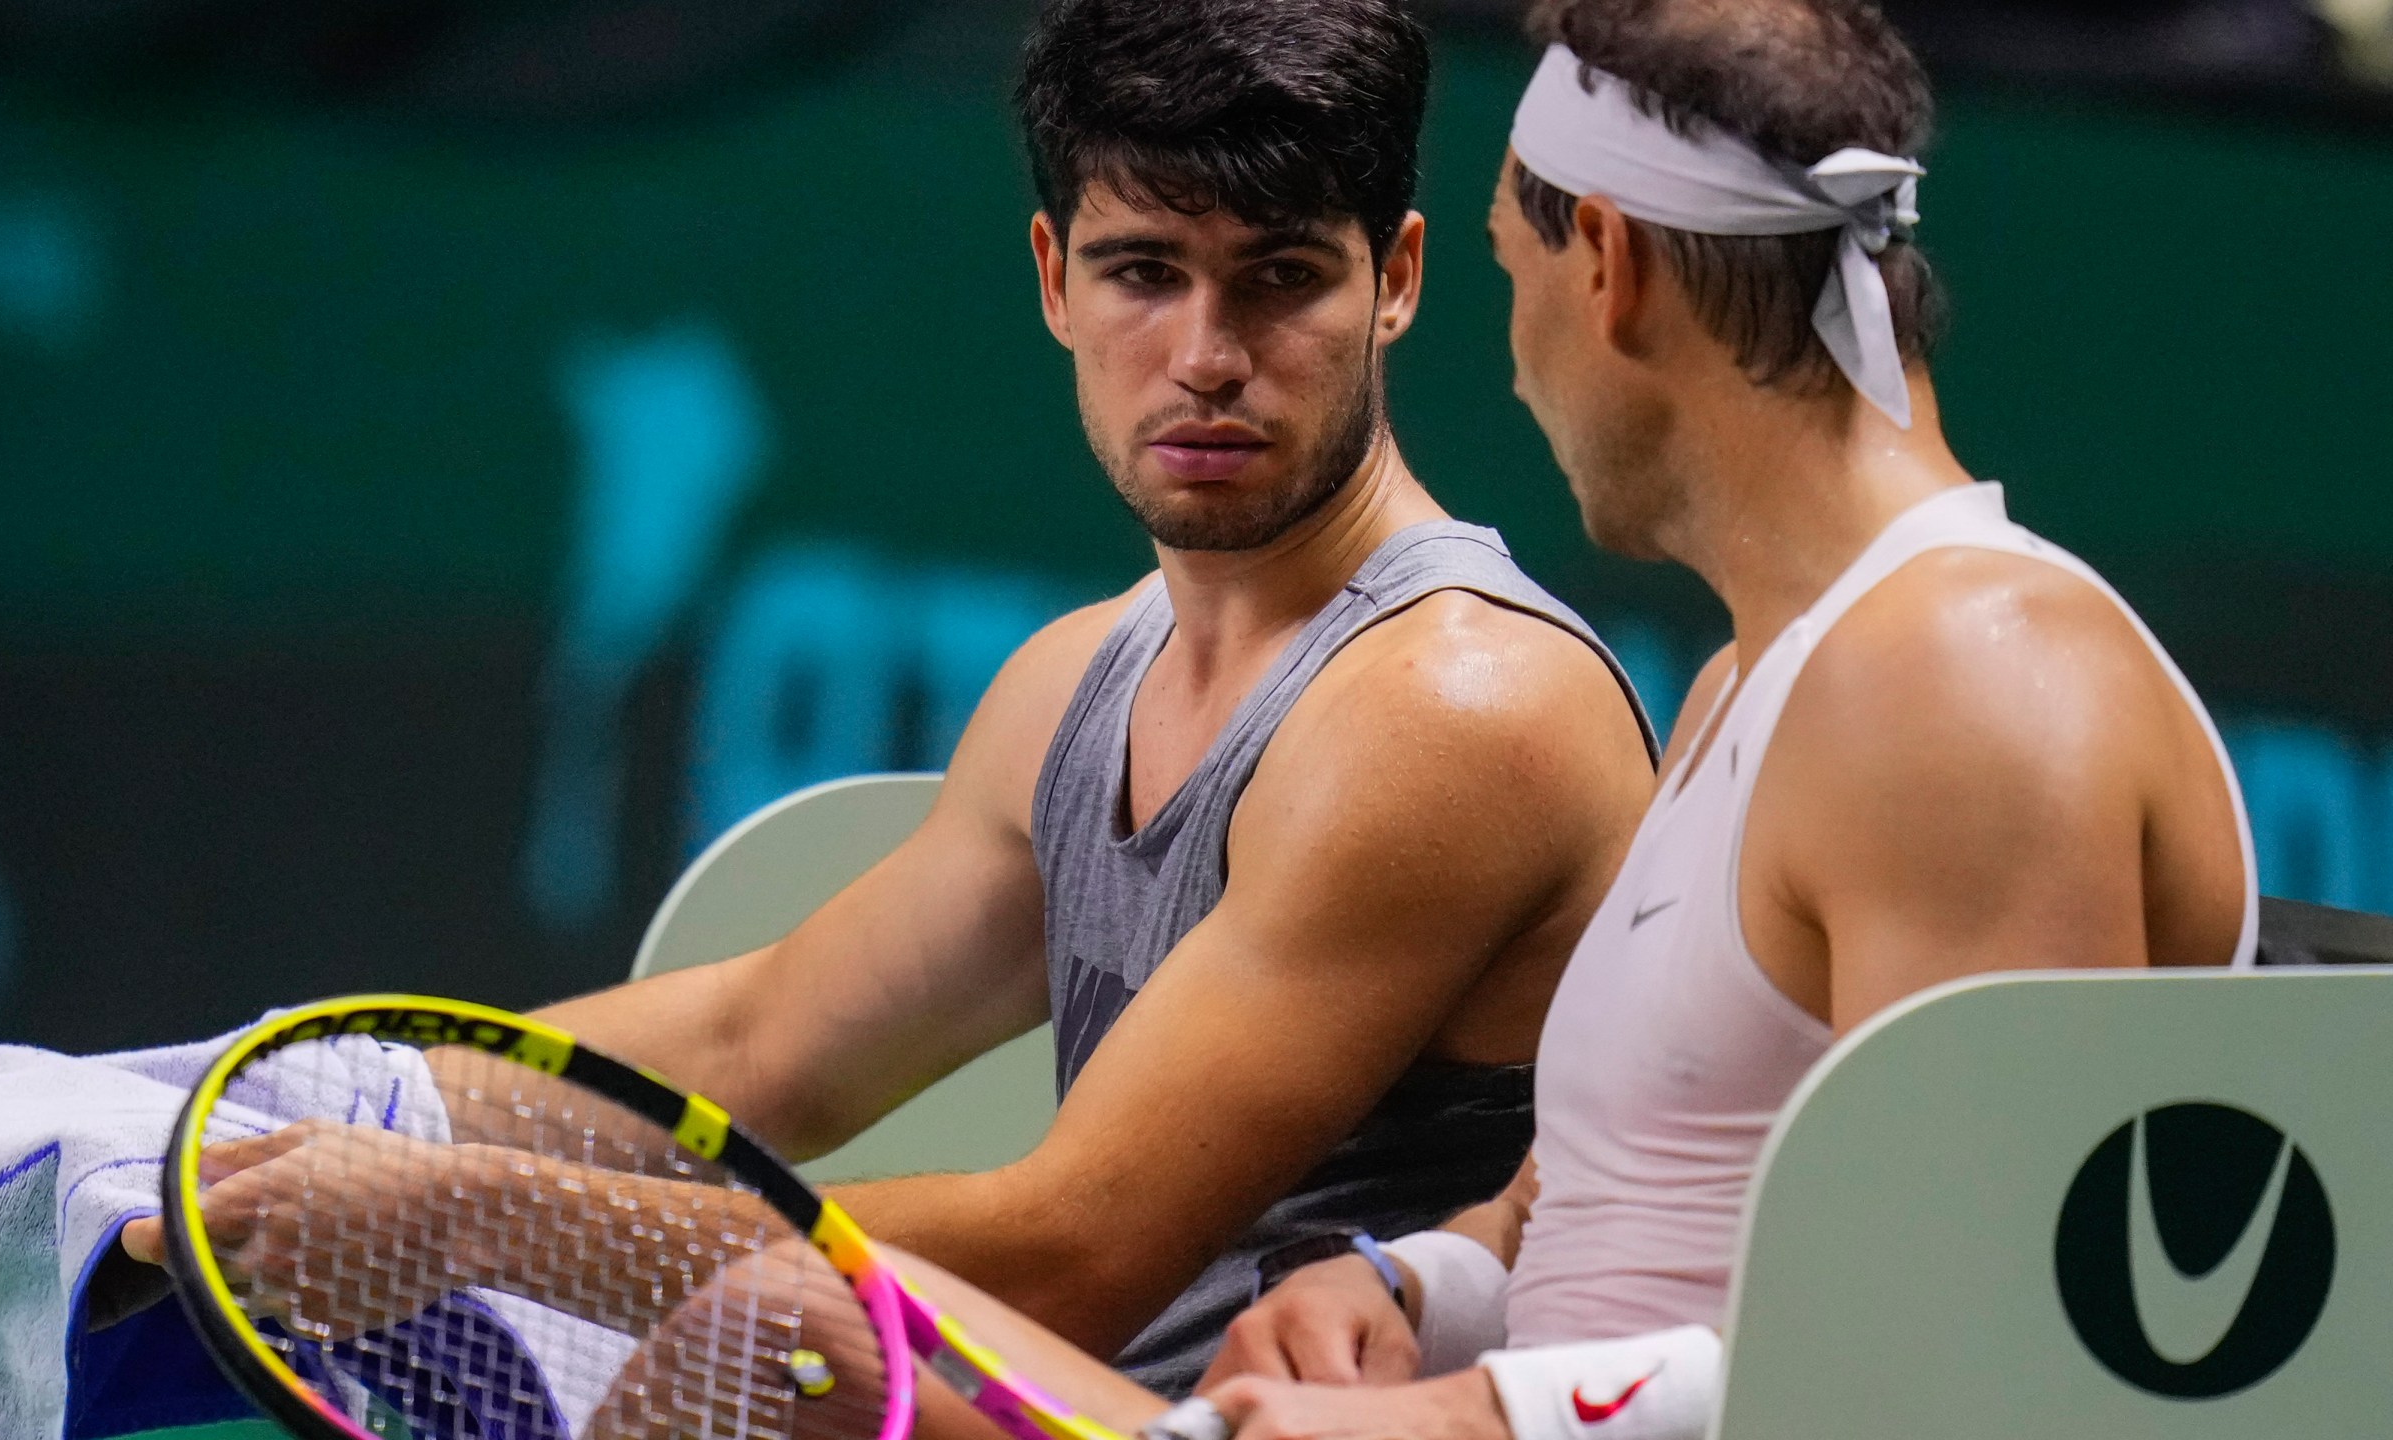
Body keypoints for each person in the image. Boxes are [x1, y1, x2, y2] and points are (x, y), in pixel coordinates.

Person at [805, 2, 2260, 1437]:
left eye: (1513, 270)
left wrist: (1475, 1417)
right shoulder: (1755, 686)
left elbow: (1986, 1336)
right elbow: (1630, 1196)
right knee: (778, 1333)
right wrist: (1417, 1287)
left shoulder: (1960, 677)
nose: (1512, 362)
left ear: (1610, 267)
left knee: (783, 1326)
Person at [513, 0, 1661, 1400]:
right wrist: (286, 1104)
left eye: (1281, 276)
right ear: (1055, 279)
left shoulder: (1460, 707)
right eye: (1143, 273)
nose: (1205, 356)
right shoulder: (1073, 678)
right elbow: (761, 1044)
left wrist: (480, 1221)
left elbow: (1077, 1247)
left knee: (782, 1342)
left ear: (1398, 279)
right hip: (1117, 1411)